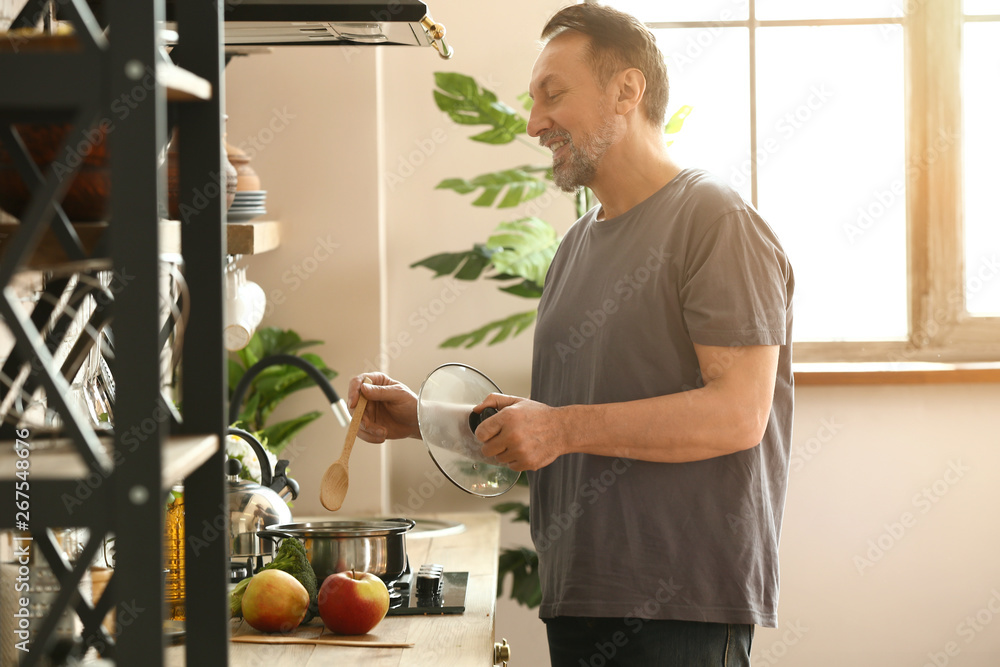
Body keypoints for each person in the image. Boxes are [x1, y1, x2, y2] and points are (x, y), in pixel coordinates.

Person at [348, 4, 794, 665]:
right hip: (580, 597)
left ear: (627, 90)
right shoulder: (575, 247)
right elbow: (555, 421)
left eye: (553, 94)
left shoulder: (714, 220)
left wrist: (558, 428)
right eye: (533, 103)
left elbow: (738, 413)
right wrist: (423, 417)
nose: (534, 124)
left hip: (679, 607)